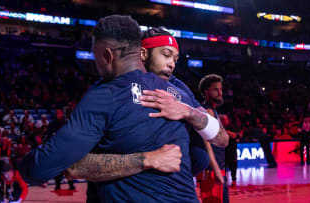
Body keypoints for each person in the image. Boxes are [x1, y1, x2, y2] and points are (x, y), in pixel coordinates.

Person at [19, 15, 226, 202]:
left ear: (108, 56)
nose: (171, 64)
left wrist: (186, 113)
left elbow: (46, 168)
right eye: (166, 55)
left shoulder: (107, 93)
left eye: (95, 55)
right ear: (141, 53)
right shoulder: (177, 92)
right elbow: (199, 158)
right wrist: (151, 161)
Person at [197, 74, 229, 203]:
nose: (220, 92)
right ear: (206, 92)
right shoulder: (206, 112)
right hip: (211, 170)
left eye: (221, 89)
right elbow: (206, 142)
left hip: (216, 167)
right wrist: (215, 169)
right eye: (216, 89)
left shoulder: (212, 111)